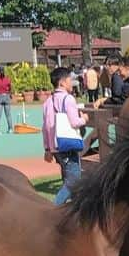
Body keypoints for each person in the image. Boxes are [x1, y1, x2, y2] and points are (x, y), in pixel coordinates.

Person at [42, 65, 87, 205]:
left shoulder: (48, 102)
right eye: (69, 80)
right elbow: (74, 122)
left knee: (67, 178)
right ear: (62, 82)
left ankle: (75, 209)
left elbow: (45, 127)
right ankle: (53, 209)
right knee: (73, 181)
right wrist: (84, 119)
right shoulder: (68, 99)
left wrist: (48, 149)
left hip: (56, 147)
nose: (71, 83)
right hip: (68, 145)